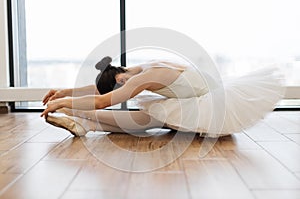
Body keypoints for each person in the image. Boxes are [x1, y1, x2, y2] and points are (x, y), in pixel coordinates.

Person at [41, 56, 284, 137]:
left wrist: (63, 103)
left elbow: (103, 100)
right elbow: (101, 92)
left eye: (118, 89)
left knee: (148, 120)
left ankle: (81, 120)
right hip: (196, 95)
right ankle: (84, 123)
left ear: (118, 79)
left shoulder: (140, 78)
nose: (123, 93)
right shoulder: (137, 69)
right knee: (148, 120)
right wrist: (65, 92)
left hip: (209, 103)